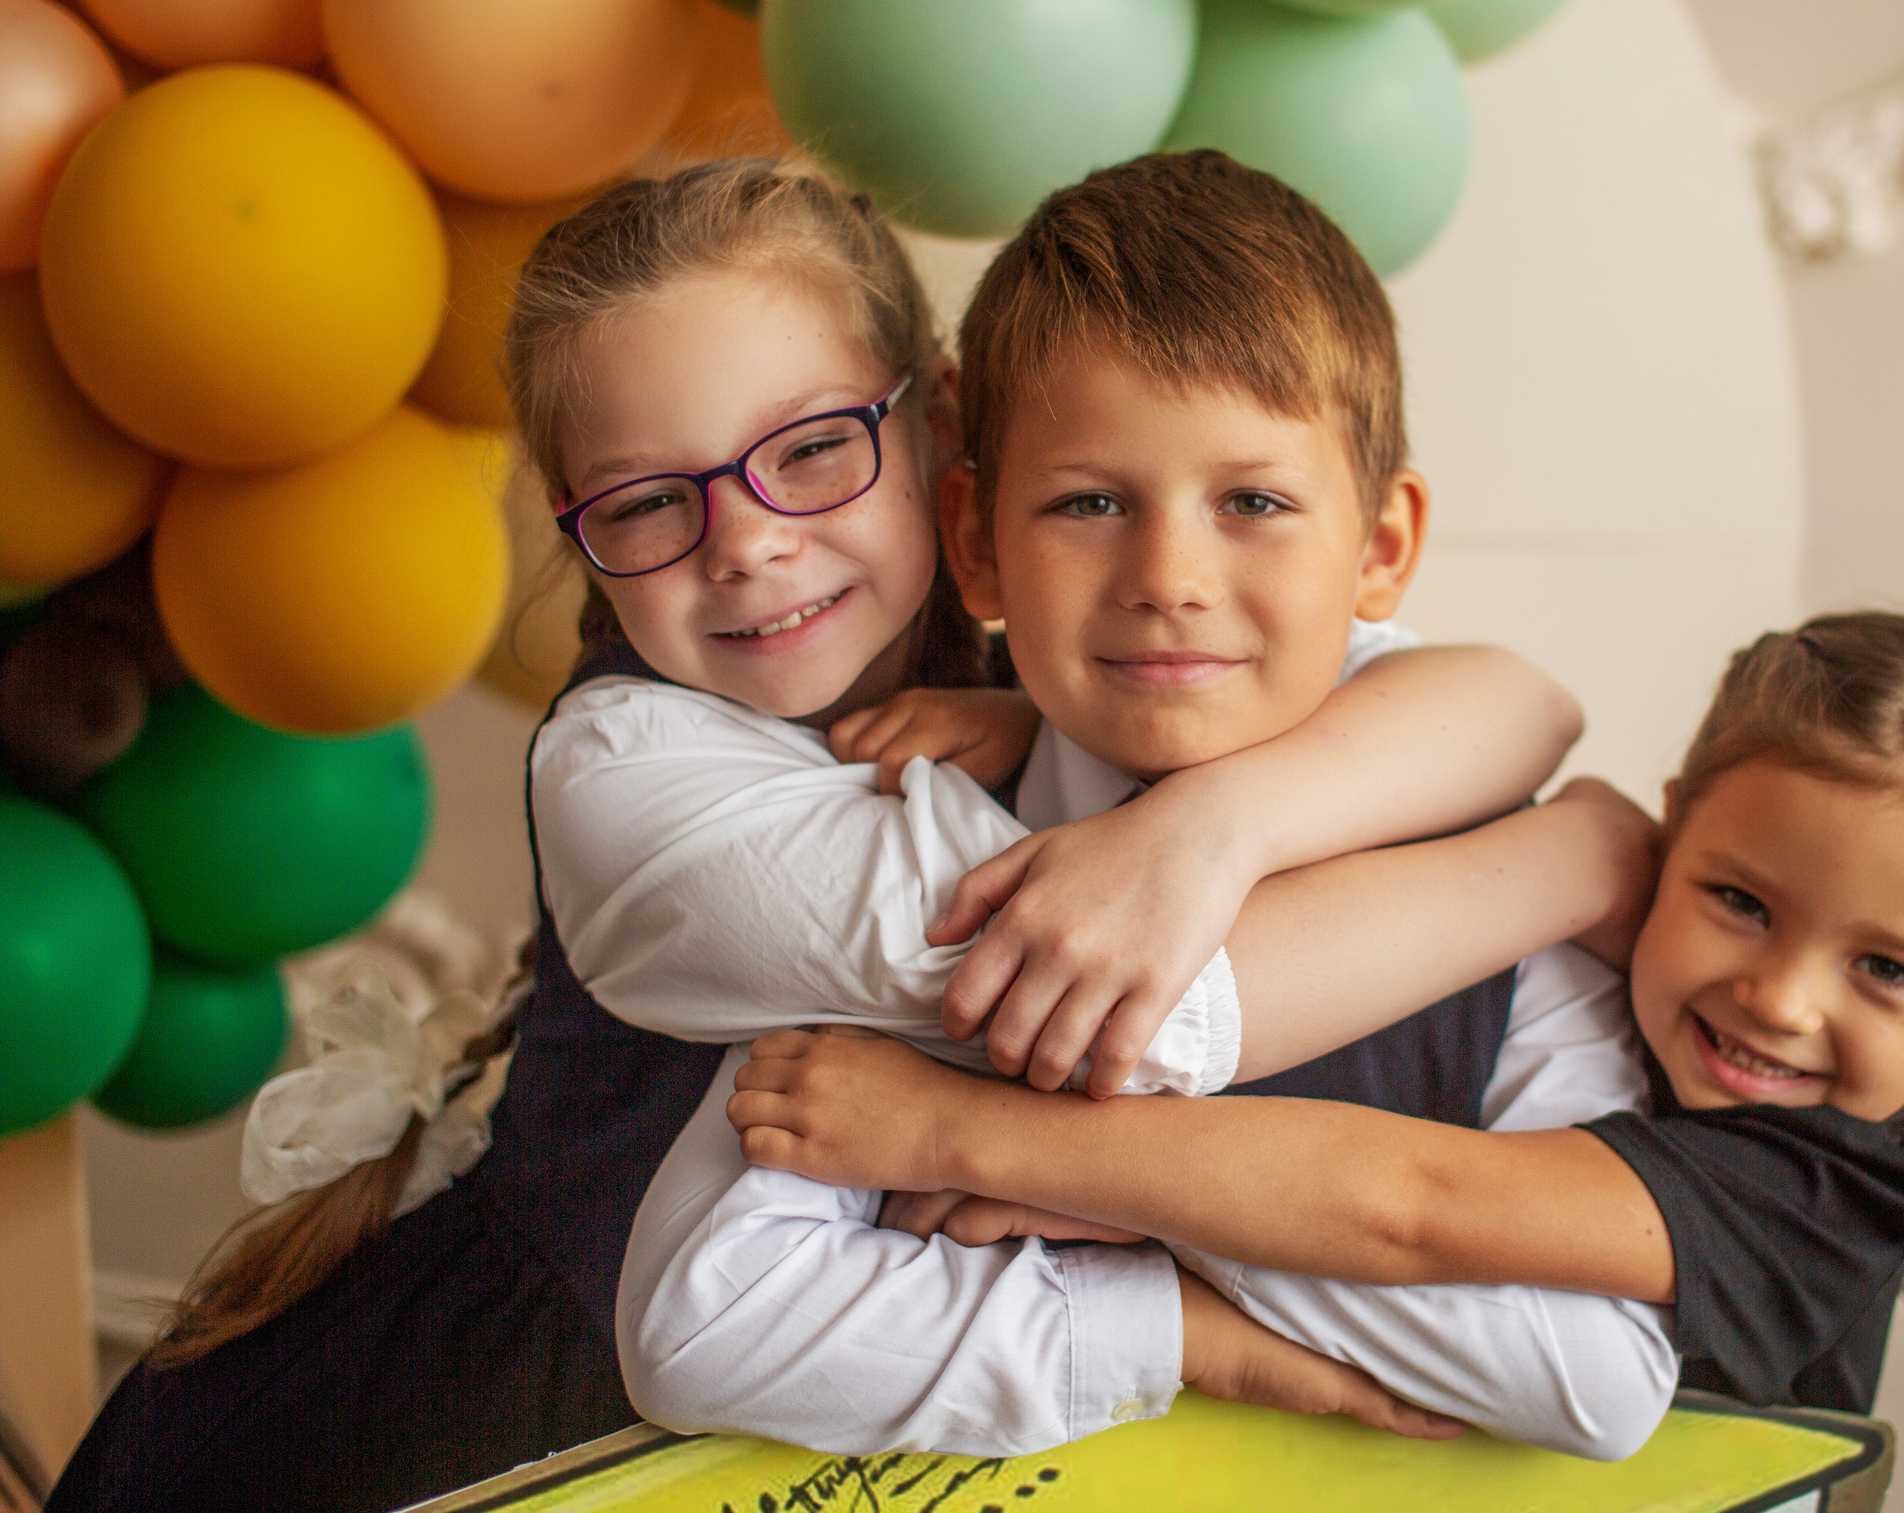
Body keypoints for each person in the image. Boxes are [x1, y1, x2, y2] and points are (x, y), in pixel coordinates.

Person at [48, 157, 1653, 1513]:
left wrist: (1216, 801)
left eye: (814, 448)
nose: (749, 547)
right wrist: (1565, 862)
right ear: (580, 541)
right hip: (497, 1438)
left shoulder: (1066, 667)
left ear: (944, 452)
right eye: (647, 503)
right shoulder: (632, 769)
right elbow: (1135, 992)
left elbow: (1493, 696)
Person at [595, 152, 1680, 1459]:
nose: (1170, 576)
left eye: (1254, 503)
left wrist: (1113, 1191)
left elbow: (1599, 1375)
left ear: (1382, 546)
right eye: (1090, 502)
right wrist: (1171, 1318)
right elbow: (708, 1323)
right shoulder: (920, 845)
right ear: (980, 539)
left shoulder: (1507, 888)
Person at [730, 612, 1904, 1415]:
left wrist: (970, 1134)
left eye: (1888, 973)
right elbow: (1392, 788)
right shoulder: (1624, 917)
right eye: (1739, 901)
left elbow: (1411, 1207)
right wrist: (1056, 741)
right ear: (1676, 836)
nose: (1777, 998)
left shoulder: (1834, 1174)